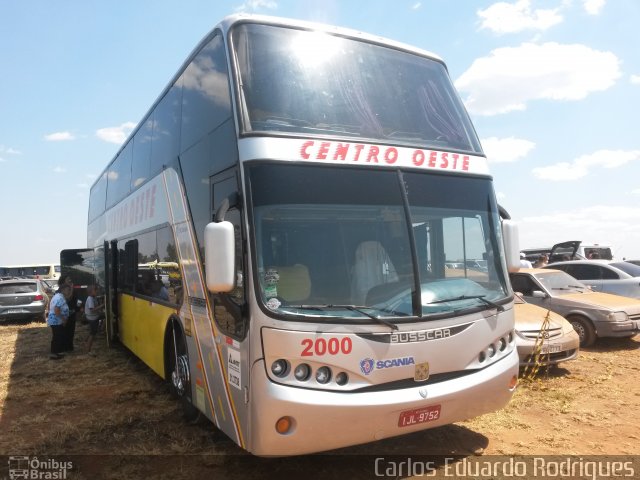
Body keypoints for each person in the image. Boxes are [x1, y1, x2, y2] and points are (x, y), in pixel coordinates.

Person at [47, 284, 72, 360]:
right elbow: (56, 310)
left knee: (58, 336)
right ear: (63, 290)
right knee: (57, 337)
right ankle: (54, 353)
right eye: (68, 290)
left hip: (55, 320)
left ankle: (57, 352)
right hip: (56, 321)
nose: (69, 292)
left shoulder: (58, 296)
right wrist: (63, 319)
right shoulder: (60, 298)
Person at [58, 275, 81, 352]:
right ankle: (64, 347)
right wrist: (71, 289)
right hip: (64, 315)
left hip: (71, 314)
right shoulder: (60, 291)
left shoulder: (72, 290)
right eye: (68, 279)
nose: (70, 281)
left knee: (71, 331)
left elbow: (75, 300)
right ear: (63, 281)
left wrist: (78, 309)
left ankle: (70, 347)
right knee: (64, 331)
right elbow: (67, 299)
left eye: (70, 279)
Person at [84, 284, 104, 356]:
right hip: (92, 318)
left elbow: (98, 297)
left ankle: (86, 341)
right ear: (90, 292)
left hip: (94, 317)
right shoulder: (90, 299)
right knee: (92, 334)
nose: (97, 291)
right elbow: (92, 310)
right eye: (95, 290)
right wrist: (102, 305)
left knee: (92, 332)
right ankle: (88, 350)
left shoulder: (93, 297)